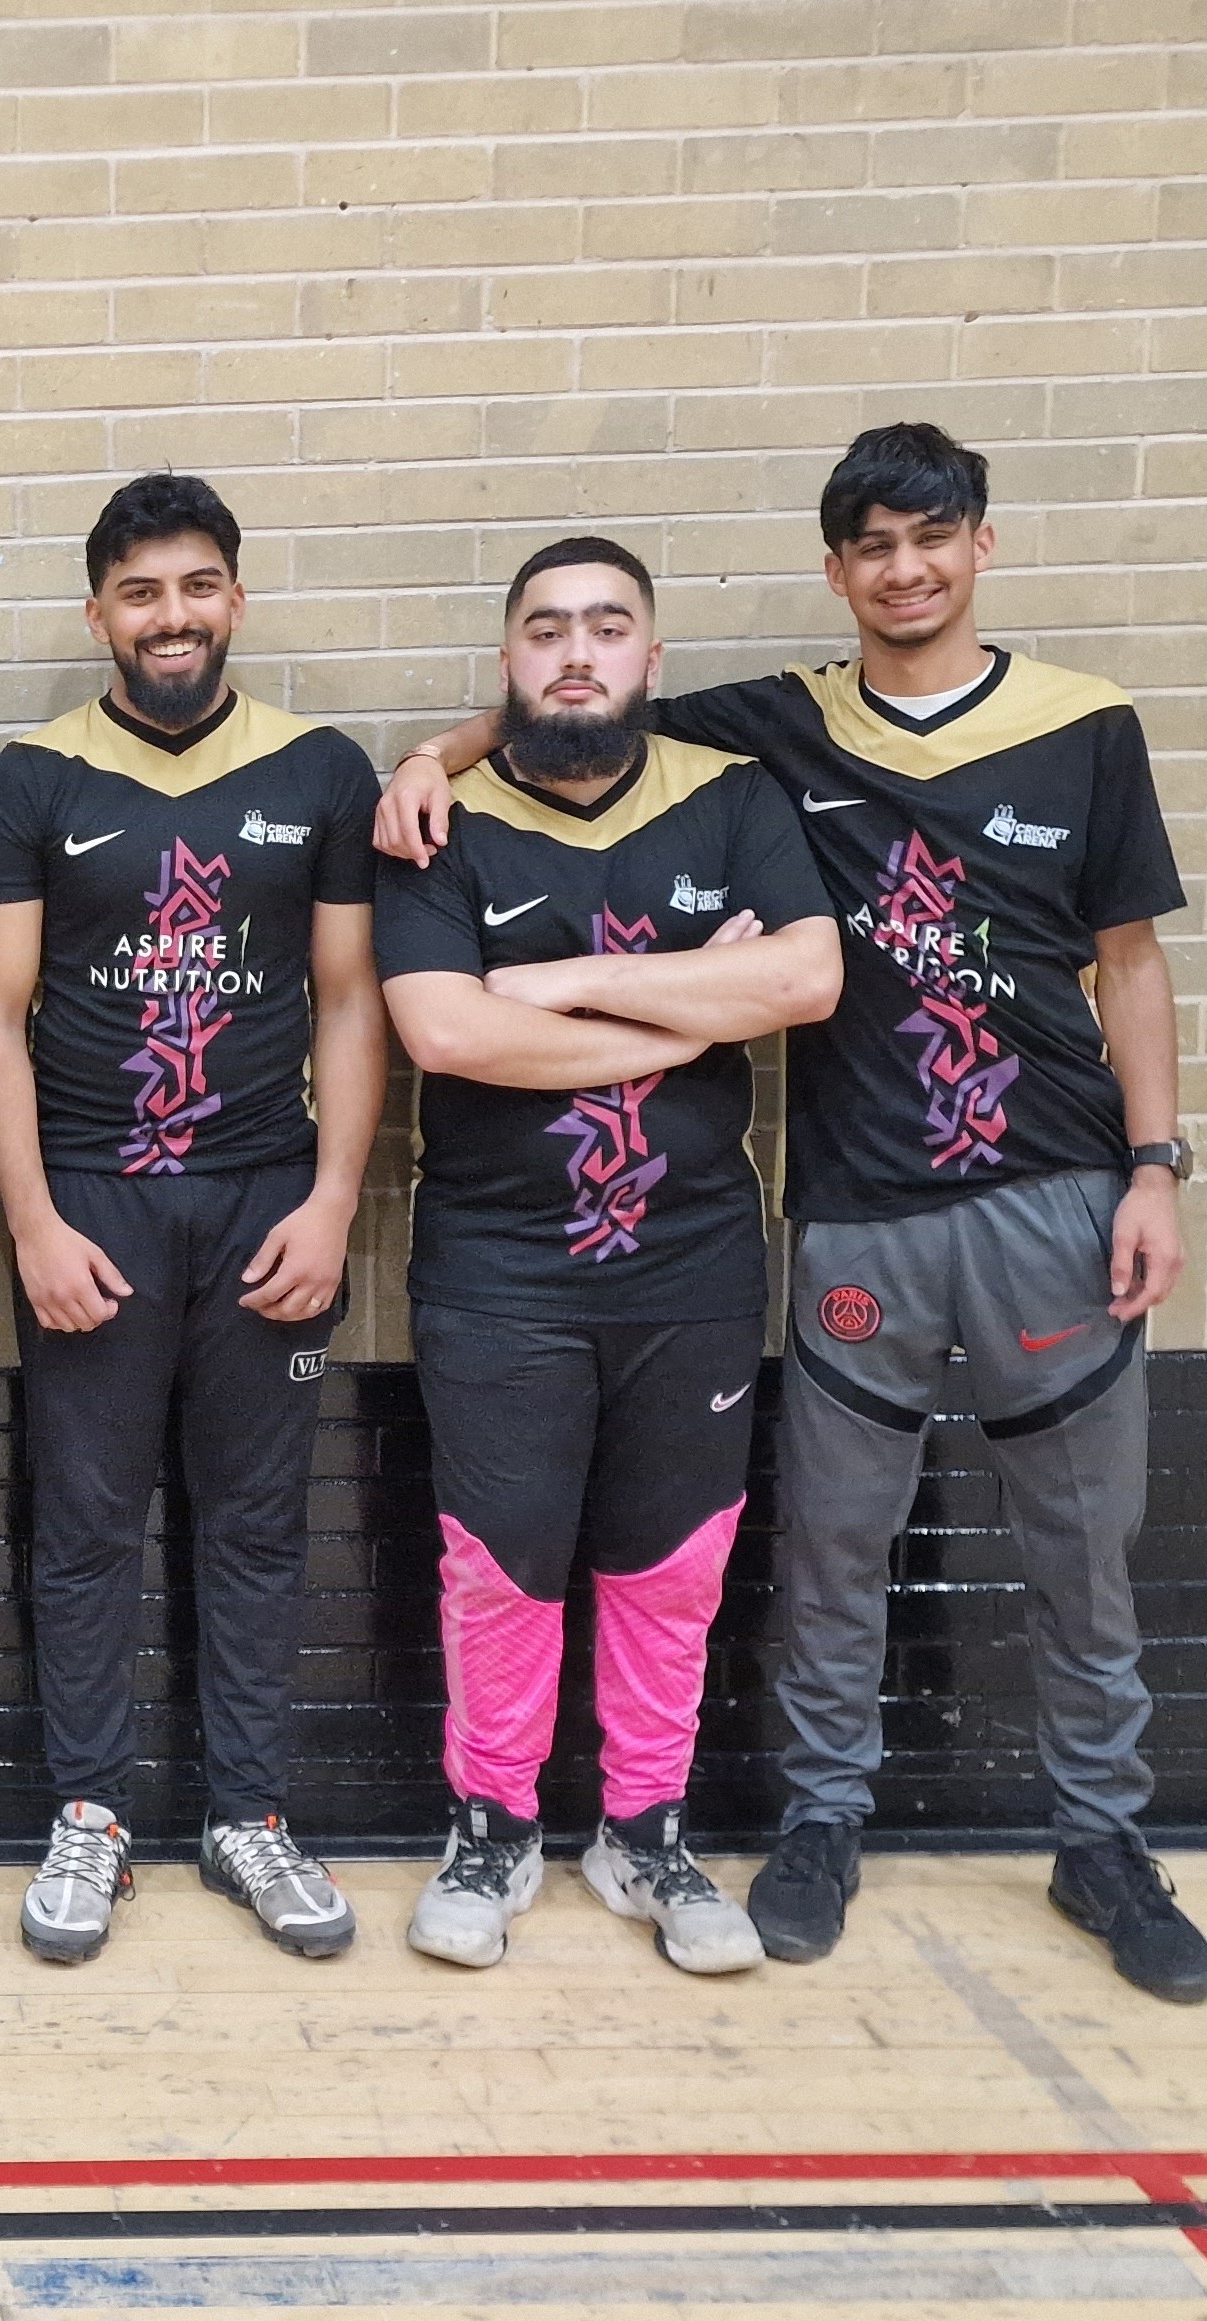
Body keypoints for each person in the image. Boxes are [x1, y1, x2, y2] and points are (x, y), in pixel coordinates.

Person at [374, 425, 1207, 2003]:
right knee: (825, 1553)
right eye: (872, 546)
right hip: (846, 1207)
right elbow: (536, 773)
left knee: (1078, 1550)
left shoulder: (1078, 730)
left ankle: (1102, 1838)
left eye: (932, 537)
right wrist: (432, 752)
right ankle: (808, 1825)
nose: (904, 568)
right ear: (833, 573)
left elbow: (1105, 964)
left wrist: (1154, 1166)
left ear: (980, 545)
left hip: (1050, 1190)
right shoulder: (768, 733)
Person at [373, 538, 841, 1975]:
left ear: (648, 652)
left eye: (605, 626)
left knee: (669, 1566)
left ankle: (642, 1832)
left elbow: (805, 978)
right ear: (506, 658)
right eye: (544, 629)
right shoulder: (430, 825)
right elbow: (449, 1031)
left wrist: (572, 984)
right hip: (495, 1271)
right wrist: (702, 1004)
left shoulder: (732, 796)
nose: (574, 652)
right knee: (498, 1568)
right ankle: (493, 1826)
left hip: (691, 1267)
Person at [0, 473, 388, 1965]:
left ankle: (248, 1813)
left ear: (235, 599)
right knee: (84, 1525)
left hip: (264, 1203)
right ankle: (88, 1811)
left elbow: (348, 1000)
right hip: (91, 1205)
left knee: (256, 1523)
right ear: (97, 613)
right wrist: (25, 1222)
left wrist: (335, 1201)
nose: (170, 616)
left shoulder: (320, 771)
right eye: (139, 591)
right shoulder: (27, 782)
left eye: (196, 585)